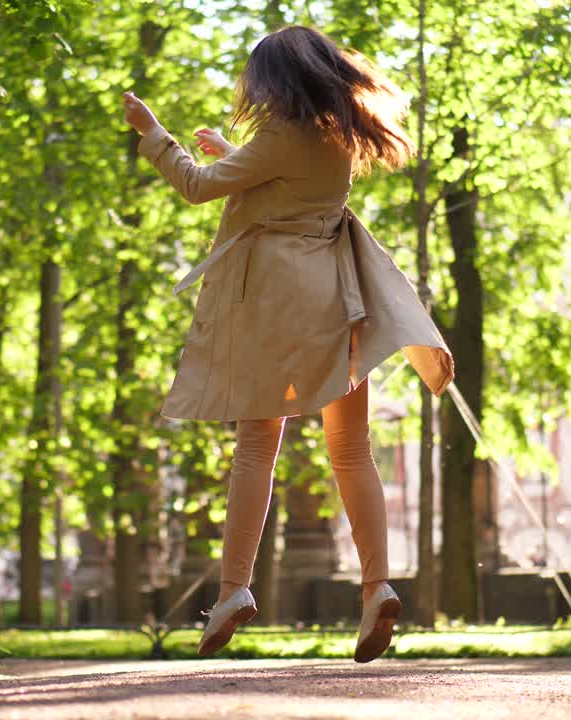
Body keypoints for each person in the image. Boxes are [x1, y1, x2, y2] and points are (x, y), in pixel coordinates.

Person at [122, 25, 453, 664]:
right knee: (352, 451)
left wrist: (151, 132)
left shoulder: (278, 136)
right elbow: (284, 186)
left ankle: (234, 591)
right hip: (340, 299)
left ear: (277, 79)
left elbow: (195, 185)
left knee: (256, 449)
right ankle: (377, 585)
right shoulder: (341, 134)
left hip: (275, 306)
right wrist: (231, 153)